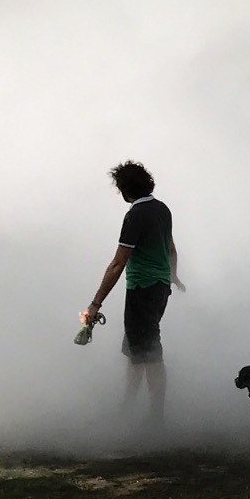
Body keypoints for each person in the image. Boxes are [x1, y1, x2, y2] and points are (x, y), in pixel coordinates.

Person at [80, 161, 181, 426]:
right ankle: (127, 408)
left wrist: (95, 304)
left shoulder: (136, 215)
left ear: (125, 190)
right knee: (135, 350)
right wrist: (172, 276)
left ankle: (156, 418)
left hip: (142, 289)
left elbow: (118, 263)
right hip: (159, 287)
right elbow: (171, 248)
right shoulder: (162, 209)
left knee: (150, 353)